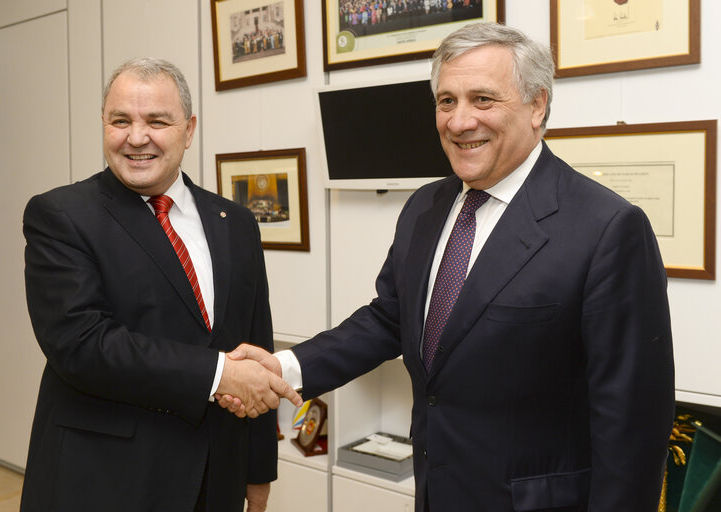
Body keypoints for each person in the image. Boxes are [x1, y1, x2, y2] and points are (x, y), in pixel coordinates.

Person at [224, 22, 675, 511]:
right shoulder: (426, 206)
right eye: (446, 101)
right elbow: (389, 319)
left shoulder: (607, 228)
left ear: (537, 105)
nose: (459, 122)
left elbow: (631, 428)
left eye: (483, 100)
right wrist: (286, 368)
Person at [20, 57, 302, 512]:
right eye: (120, 120)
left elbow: (256, 348)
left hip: (216, 477)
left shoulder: (235, 222)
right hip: (105, 479)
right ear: (104, 124)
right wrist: (219, 374)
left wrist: (257, 471)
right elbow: (82, 345)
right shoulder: (61, 216)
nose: (136, 137)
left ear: (188, 130)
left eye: (156, 121)